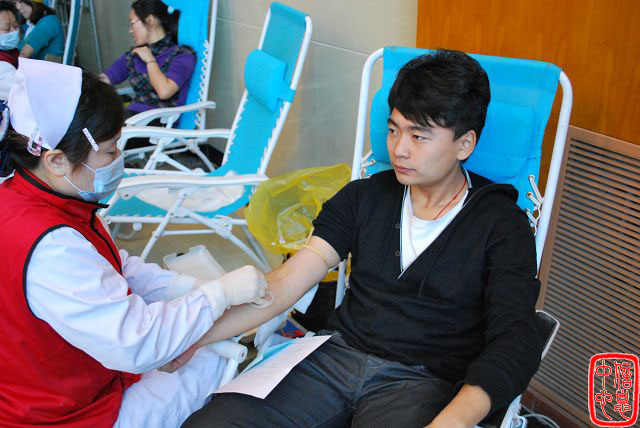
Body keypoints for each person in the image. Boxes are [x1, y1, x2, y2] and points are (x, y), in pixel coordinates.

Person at [176, 50, 544, 428]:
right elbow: (286, 283)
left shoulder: (501, 224)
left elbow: (514, 339)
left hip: (423, 381)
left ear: (464, 144)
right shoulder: (364, 198)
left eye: (419, 136)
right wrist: (194, 338)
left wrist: (453, 421)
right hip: (334, 357)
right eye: (393, 129)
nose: (399, 149)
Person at [0, 58, 269, 427]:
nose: (119, 161)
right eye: (110, 151)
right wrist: (217, 295)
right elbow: (136, 343)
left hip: (44, 385)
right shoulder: (51, 246)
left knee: (198, 338)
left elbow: (114, 268)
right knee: (212, 357)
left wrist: (189, 287)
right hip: (67, 414)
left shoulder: (29, 197)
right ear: (57, 160)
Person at [100, 0, 196, 119]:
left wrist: (150, 61)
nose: (130, 30)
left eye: (132, 23)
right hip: (133, 119)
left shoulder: (182, 55)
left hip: (160, 123)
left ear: (150, 21)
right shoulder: (134, 55)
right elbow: (106, 78)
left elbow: (164, 91)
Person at [0, 0, 20, 99]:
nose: (14, 32)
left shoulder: (12, 54)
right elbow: (22, 92)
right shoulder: (2, 67)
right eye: (7, 29)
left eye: (15, 26)